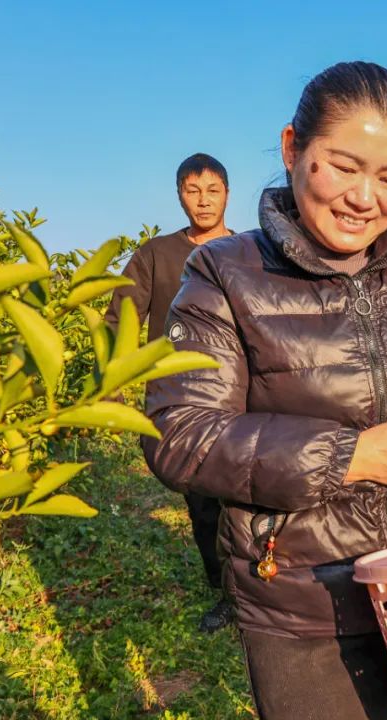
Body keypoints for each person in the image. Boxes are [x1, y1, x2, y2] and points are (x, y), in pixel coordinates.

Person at [143, 62, 387, 720]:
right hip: (306, 606)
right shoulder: (224, 274)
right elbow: (181, 437)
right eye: (343, 166)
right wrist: (350, 455)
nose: (365, 198)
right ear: (293, 148)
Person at [105, 152, 236, 634]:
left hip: (243, 397)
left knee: (249, 495)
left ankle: (259, 587)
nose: (203, 201)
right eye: (192, 190)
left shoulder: (249, 249)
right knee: (202, 501)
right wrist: (112, 385)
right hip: (180, 400)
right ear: (179, 194)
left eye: (212, 190)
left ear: (227, 193)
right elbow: (121, 319)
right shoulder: (155, 254)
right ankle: (225, 592)